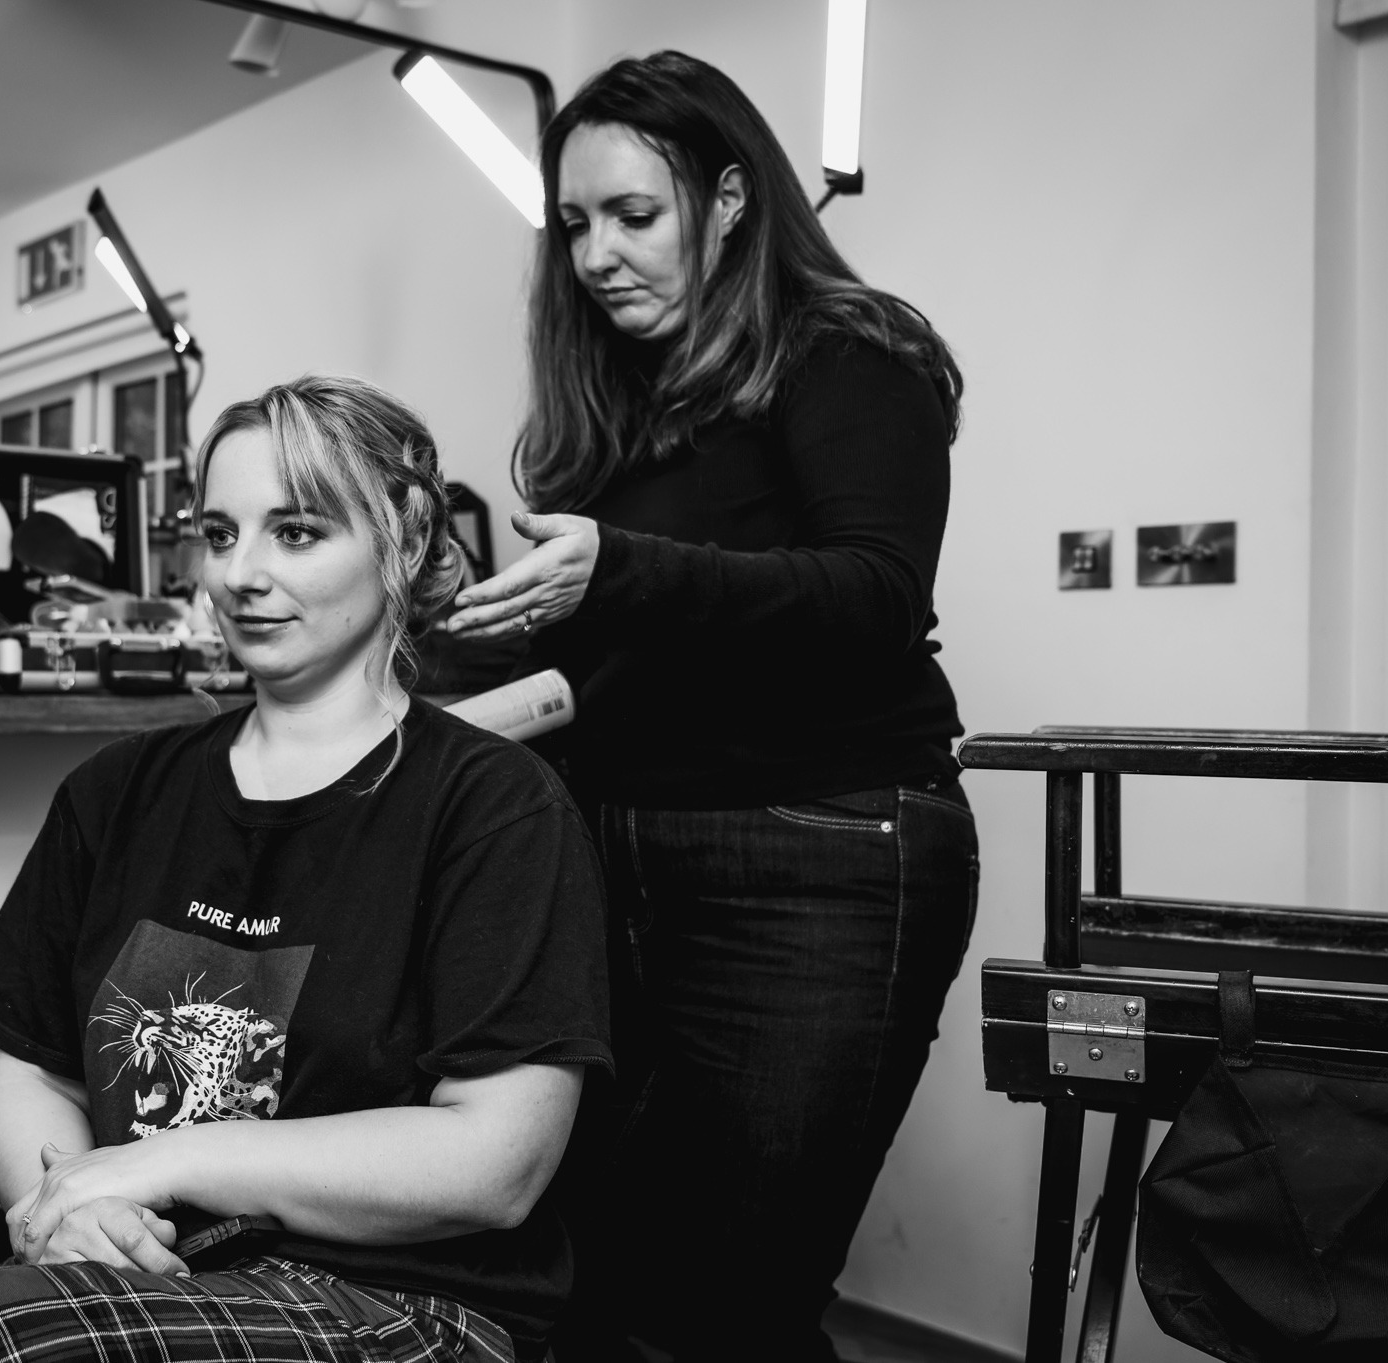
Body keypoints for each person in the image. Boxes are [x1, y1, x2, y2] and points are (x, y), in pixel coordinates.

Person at [0, 376, 611, 1363]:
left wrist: (157, 1162)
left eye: (294, 531)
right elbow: (30, 1068)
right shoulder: (116, 789)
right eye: (219, 534)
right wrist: (71, 1210)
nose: (240, 575)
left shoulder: (495, 807)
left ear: (407, 533)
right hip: (166, 1265)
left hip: (405, 1302)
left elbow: (496, 1161)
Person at [444, 52, 979, 1363]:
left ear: (730, 197)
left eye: (633, 215)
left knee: (739, 1292)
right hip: (627, 862)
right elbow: (639, 666)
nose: (596, 255)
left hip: (822, 855)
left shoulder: (849, 354)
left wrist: (616, 569)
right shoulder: (621, 414)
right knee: (611, 1274)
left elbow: (871, 591)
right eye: (573, 225)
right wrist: (466, 677)